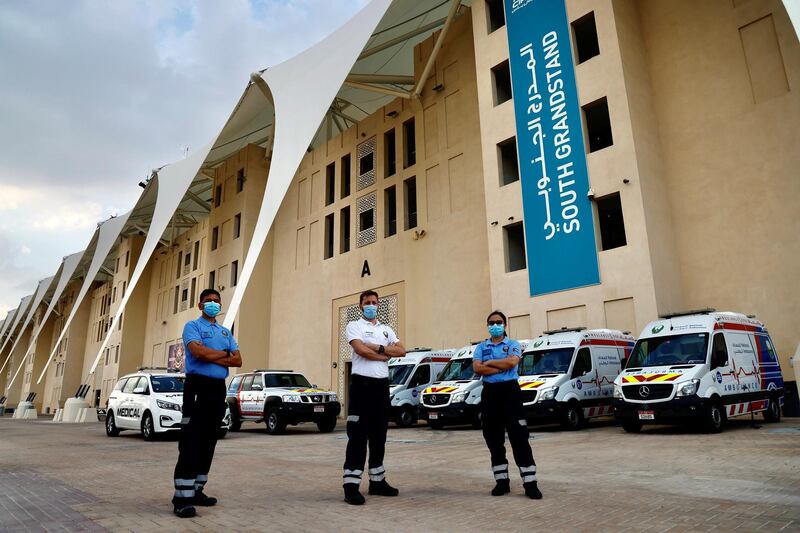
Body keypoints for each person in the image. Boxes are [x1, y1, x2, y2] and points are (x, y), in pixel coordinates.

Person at [172, 289, 242, 518]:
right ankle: (181, 498)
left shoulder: (224, 331)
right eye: (208, 301)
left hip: (217, 389)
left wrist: (213, 354)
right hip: (197, 387)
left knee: (209, 440)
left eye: (216, 301)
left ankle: (197, 490)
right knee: (192, 440)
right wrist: (224, 355)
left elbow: (238, 359)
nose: (213, 304)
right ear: (200, 305)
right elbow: (196, 352)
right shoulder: (192, 326)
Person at [342, 290, 406, 505]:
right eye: (367, 303)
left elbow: (402, 351)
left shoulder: (386, 329)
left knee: (379, 436)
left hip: (381, 387)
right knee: (358, 436)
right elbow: (360, 350)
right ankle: (351, 486)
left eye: (374, 302)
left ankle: (377, 481)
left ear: (379, 305)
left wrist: (378, 347)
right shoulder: (354, 326)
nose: (371, 305)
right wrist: (385, 354)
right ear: (361, 306)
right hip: (362, 386)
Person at [473, 310, 542, 500]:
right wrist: (499, 365)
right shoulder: (480, 347)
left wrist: (491, 363)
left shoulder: (513, 345)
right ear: (487, 326)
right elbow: (477, 368)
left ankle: (530, 483)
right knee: (493, 439)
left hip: (510, 393)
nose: (495, 325)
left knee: (519, 438)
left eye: (498, 322)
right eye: (491, 323)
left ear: (505, 325)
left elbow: (512, 363)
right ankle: (501, 482)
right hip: (490, 394)